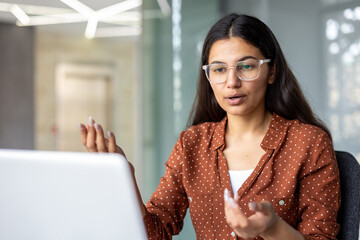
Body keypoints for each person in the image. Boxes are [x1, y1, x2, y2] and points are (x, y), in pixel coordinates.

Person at [79, 13, 340, 240]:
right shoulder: (192, 143)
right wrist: (123, 175)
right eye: (218, 70)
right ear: (208, 76)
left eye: (246, 66)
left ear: (272, 72)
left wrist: (272, 228)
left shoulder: (308, 142)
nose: (231, 82)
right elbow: (155, 233)